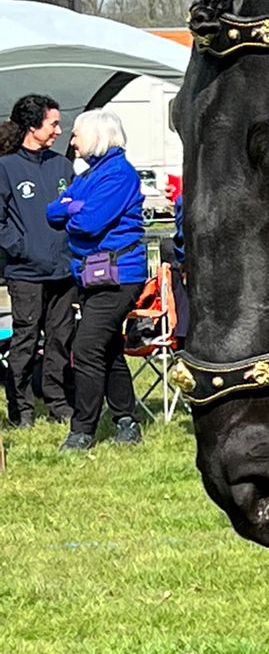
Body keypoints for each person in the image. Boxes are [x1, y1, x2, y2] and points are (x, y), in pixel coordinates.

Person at [45, 108, 148, 451]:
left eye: (76, 133)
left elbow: (87, 223)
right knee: (108, 349)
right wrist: (73, 206)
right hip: (93, 275)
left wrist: (73, 208)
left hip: (118, 276)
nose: (71, 140)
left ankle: (82, 430)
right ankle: (126, 421)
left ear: (96, 136)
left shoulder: (118, 173)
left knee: (86, 347)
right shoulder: (89, 174)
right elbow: (52, 211)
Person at [0, 93, 76, 427]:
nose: (59, 130)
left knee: (60, 342)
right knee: (25, 341)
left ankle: (58, 403)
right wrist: (22, 248)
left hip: (63, 271)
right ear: (33, 126)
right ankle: (22, 411)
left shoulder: (62, 165)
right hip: (26, 272)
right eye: (54, 123)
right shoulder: (5, 166)